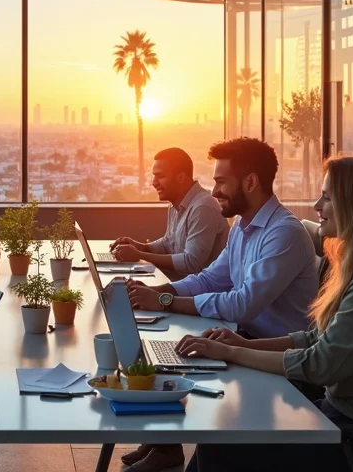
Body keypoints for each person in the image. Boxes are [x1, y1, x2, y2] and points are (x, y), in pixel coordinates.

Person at [173, 154, 353, 472]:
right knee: (219, 436)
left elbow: (322, 364)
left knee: (223, 446)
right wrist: (240, 346)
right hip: (347, 416)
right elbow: (315, 338)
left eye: (327, 197)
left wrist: (230, 351)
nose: (316, 206)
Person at [121, 138, 319, 472]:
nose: (214, 191)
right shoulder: (243, 226)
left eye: (221, 181)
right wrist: (163, 290)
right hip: (241, 341)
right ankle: (166, 447)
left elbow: (242, 304)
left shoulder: (283, 233)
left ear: (251, 182)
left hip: (278, 363)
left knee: (212, 439)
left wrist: (167, 301)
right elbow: (211, 279)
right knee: (168, 352)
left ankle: (175, 451)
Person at [109, 147, 228, 280]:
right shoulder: (175, 204)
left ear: (181, 178)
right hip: (181, 284)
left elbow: (191, 263)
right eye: (154, 176)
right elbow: (168, 243)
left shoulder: (203, 207)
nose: (154, 183)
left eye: (160, 176)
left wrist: (139, 255)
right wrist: (142, 247)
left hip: (199, 294)